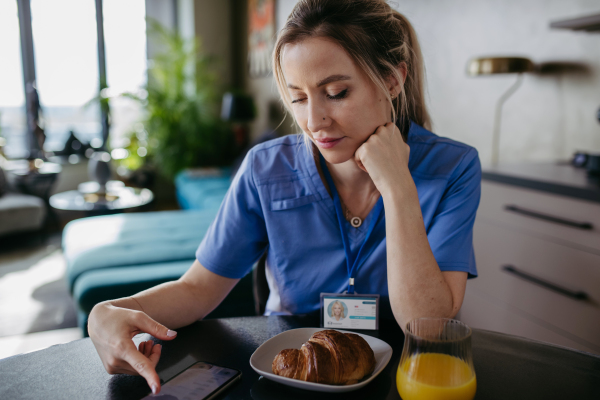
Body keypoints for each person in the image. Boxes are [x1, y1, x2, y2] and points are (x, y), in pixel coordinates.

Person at [88, 0, 481, 395]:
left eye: (337, 92)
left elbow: (427, 325)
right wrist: (112, 312)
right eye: (298, 97)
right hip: (289, 377)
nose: (315, 121)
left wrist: (398, 187)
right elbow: (197, 290)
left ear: (393, 81)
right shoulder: (265, 168)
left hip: (402, 377)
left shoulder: (454, 168)